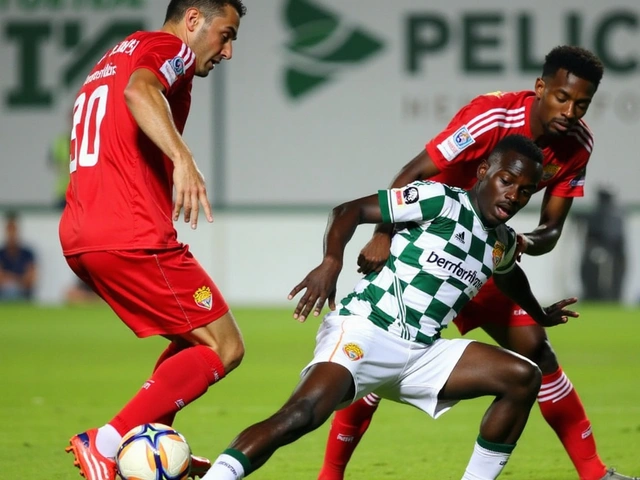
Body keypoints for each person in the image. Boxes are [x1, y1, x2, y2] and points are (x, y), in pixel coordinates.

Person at [317, 45, 636, 480]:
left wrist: (517, 243)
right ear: (541, 87)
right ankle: (329, 476)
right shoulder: (492, 116)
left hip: (483, 262)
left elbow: (552, 231)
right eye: (562, 97)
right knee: (378, 356)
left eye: (582, 104)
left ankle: (595, 473)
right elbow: (412, 174)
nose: (570, 111)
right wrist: (383, 235)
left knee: (537, 354)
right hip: (426, 254)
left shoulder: (578, 145)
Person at [201, 134, 579, 480]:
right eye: (506, 181)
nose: (513, 196)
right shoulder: (441, 200)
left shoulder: (502, 241)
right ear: (484, 171)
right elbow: (348, 210)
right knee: (300, 415)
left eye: (525, 191)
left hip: (423, 353)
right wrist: (332, 261)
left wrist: (538, 312)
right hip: (368, 330)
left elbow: (510, 275)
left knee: (523, 377)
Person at [58, 1, 247, 480]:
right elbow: (140, 91)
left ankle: (150, 452)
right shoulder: (167, 48)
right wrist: (183, 159)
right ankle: (107, 442)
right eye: (225, 35)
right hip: (131, 232)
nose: (227, 52)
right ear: (191, 20)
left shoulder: (112, 58)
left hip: (84, 231)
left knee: (194, 337)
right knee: (225, 347)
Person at [578, 187, 627, 301]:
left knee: (607, 279)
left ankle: (607, 297)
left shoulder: (614, 215)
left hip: (610, 254)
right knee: (594, 278)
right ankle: (594, 296)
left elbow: (614, 238)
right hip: (601, 252)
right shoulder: (605, 214)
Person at [0, 212, 37, 301]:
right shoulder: (1, 253)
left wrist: (10, 280)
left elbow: (31, 280)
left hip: (24, 295)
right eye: (10, 229)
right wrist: (19, 279)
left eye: (14, 229)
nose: (12, 233)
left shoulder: (28, 253)